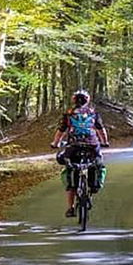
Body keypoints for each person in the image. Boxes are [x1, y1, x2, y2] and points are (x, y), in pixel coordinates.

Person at [50, 89, 109, 218]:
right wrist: (105, 142)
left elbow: (61, 131)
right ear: (87, 101)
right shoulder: (93, 113)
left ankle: (70, 207)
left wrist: (55, 143)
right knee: (98, 164)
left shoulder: (69, 114)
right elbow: (100, 129)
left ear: (74, 101)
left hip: (73, 147)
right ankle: (93, 188)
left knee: (70, 170)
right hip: (92, 146)